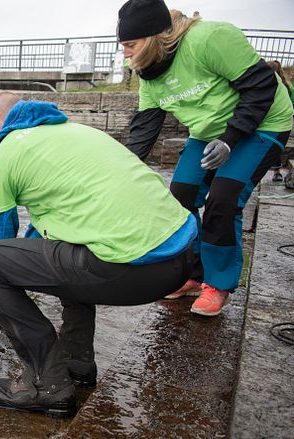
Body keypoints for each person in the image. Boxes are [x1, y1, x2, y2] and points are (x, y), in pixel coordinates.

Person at [0, 91, 196, 417]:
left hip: (134, 267)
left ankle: (46, 384)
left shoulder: (3, 156)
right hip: (181, 260)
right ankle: (77, 363)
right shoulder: (76, 133)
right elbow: (37, 242)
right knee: (65, 249)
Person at [119, 0, 293, 316]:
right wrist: (117, 169)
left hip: (263, 123)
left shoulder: (209, 39)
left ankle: (218, 283)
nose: (125, 54)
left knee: (223, 201)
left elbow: (261, 85)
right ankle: (194, 276)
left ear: (154, 36)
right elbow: (145, 128)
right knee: (180, 197)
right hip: (209, 132)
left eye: (130, 45)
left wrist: (230, 139)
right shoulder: (149, 73)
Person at [266, 60, 294, 182]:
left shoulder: (266, 84)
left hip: (269, 121)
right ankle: (277, 173)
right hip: (284, 123)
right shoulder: (288, 86)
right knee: (277, 147)